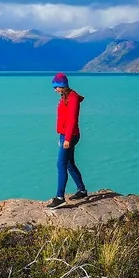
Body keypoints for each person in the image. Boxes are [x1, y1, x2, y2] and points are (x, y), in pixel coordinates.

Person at [47, 72, 88, 208]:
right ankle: (81, 190)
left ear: (62, 85)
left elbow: (72, 120)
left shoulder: (73, 98)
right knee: (69, 163)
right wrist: (62, 137)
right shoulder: (65, 96)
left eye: (56, 87)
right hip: (64, 135)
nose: (54, 90)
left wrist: (67, 139)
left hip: (70, 135)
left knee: (61, 164)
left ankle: (60, 197)